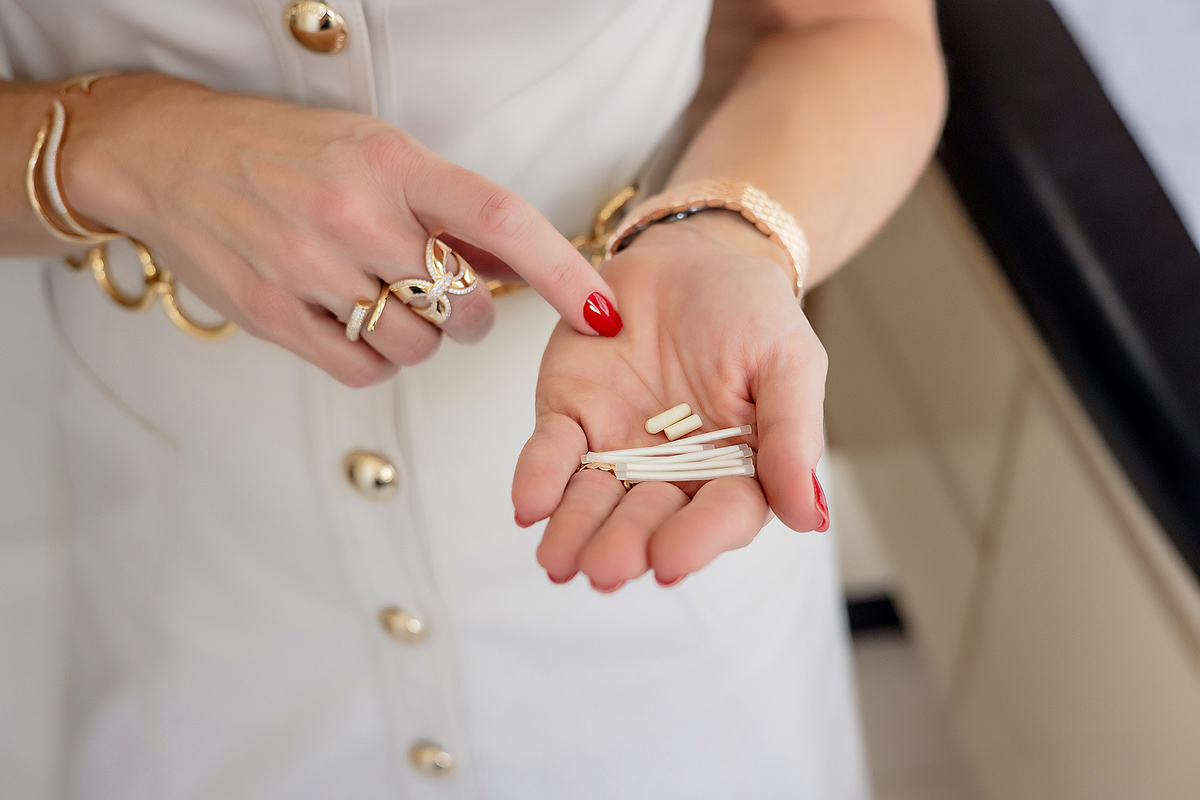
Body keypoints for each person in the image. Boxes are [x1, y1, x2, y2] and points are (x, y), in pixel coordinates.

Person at [0, 0, 946, 797]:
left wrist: (729, 234)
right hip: (200, 557)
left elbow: (857, 29)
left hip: (650, 437)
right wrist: (121, 146)